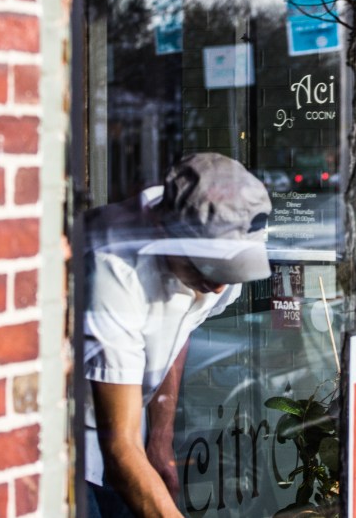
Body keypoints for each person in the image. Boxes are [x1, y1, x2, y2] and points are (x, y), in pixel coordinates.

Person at [83, 153, 272, 517]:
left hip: (126, 424)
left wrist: (161, 435)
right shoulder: (113, 269)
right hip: (59, 433)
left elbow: (180, 327)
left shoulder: (217, 251)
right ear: (162, 231)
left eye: (228, 271)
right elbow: (119, 447)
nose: (218, 288)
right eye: (206, 268)